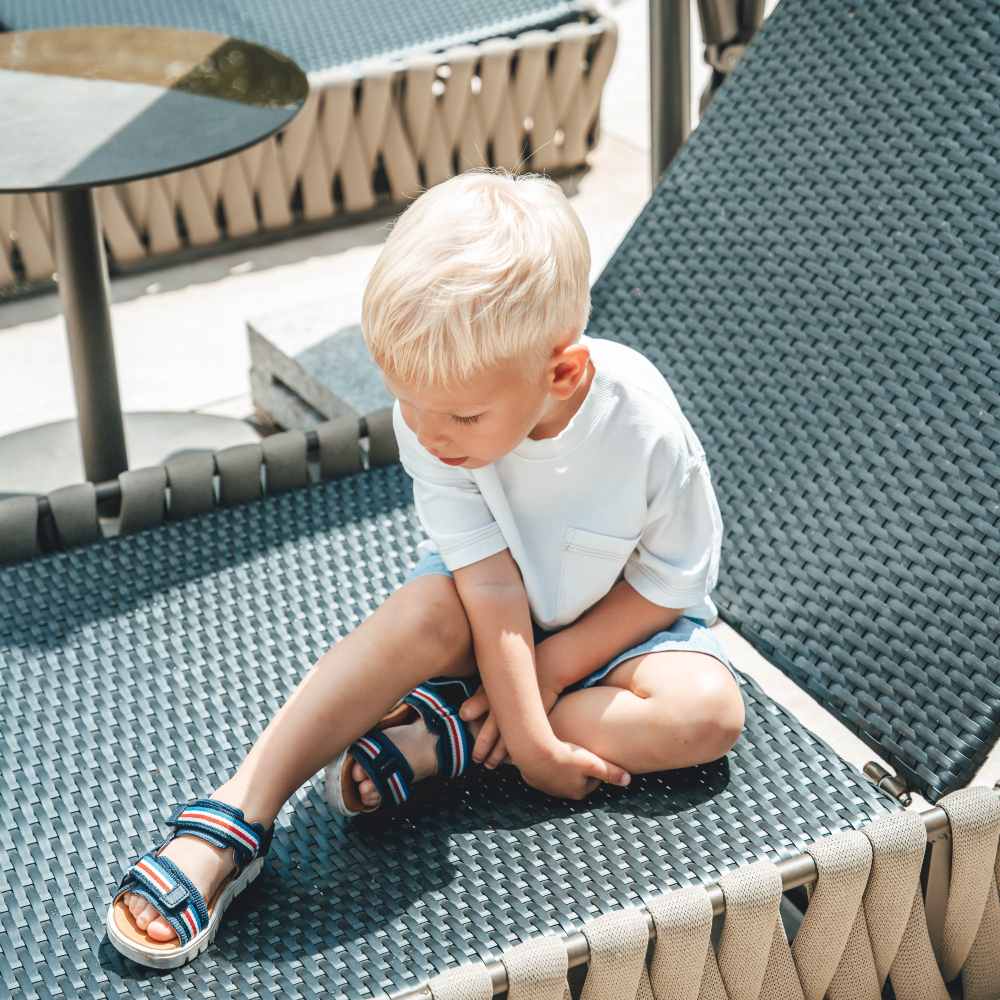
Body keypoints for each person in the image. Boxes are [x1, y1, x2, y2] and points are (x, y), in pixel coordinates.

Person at [107, 167, 746, 969]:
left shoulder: (645, 430)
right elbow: (489, 584)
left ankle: (443, 737)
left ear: (562, 374)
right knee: (420, 615)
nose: (429, 433)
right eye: (408, 403)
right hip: (484, 613)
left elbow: (669, 583)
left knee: (711, 715)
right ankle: (243, 808)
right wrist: (529, 729)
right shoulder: (435, 416)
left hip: (620, 628)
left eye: (463, 416)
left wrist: (546, 683)